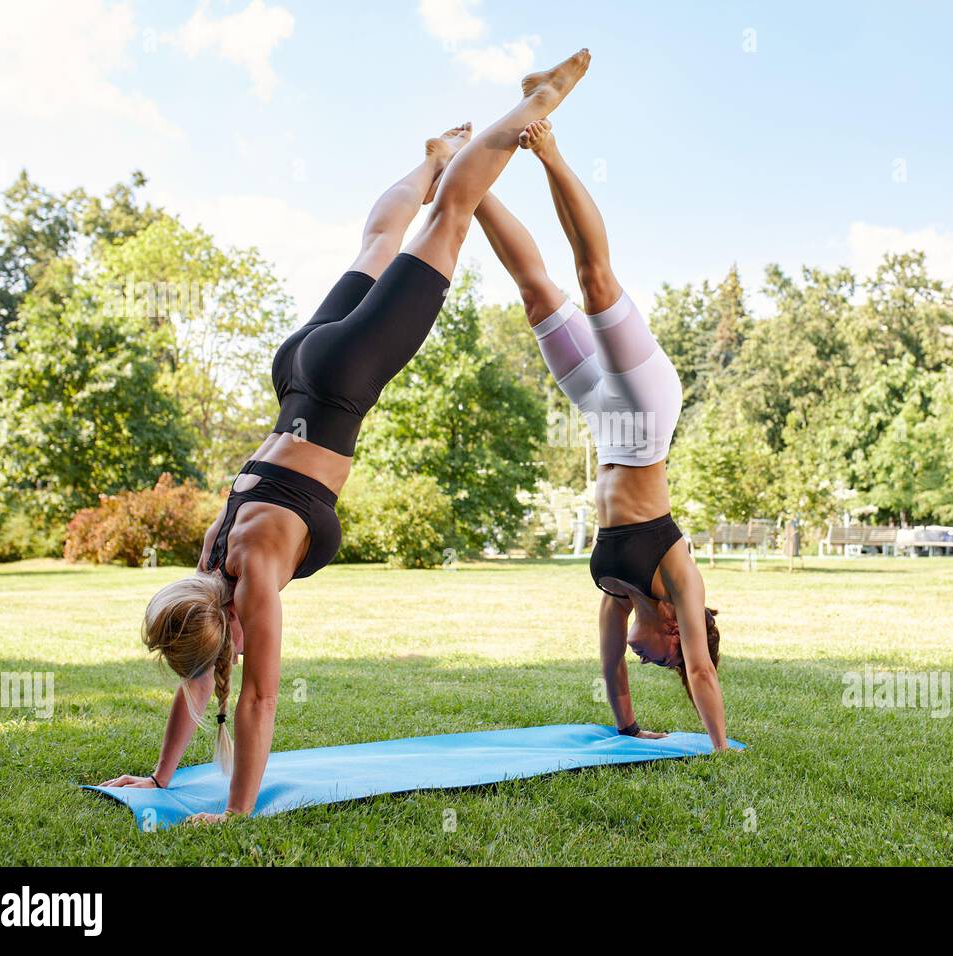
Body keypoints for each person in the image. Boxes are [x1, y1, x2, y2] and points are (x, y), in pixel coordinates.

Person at [97, 51, 593, 823]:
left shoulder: (253, 574)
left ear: (220, 624)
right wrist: (159, 780)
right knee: (376, 242)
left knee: (449, 219)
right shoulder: (209, 566)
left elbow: (256, 699)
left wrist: (232, 814)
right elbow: (201, 679)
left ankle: (535, 102)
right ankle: (431, 158)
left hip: (341, 380)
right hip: (295, 374)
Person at [473, 119, 727, 751]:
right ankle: (550, 152)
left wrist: (631, 729)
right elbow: (702, 670)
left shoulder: (617, 593)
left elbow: (611, 666)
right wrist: (718, 745)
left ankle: (467, 179)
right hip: (645, 409)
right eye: (662, 661)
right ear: (675, 631)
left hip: (602, 417)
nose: (655, 665)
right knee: (595, 284)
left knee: (537, 296)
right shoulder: (680, 578)